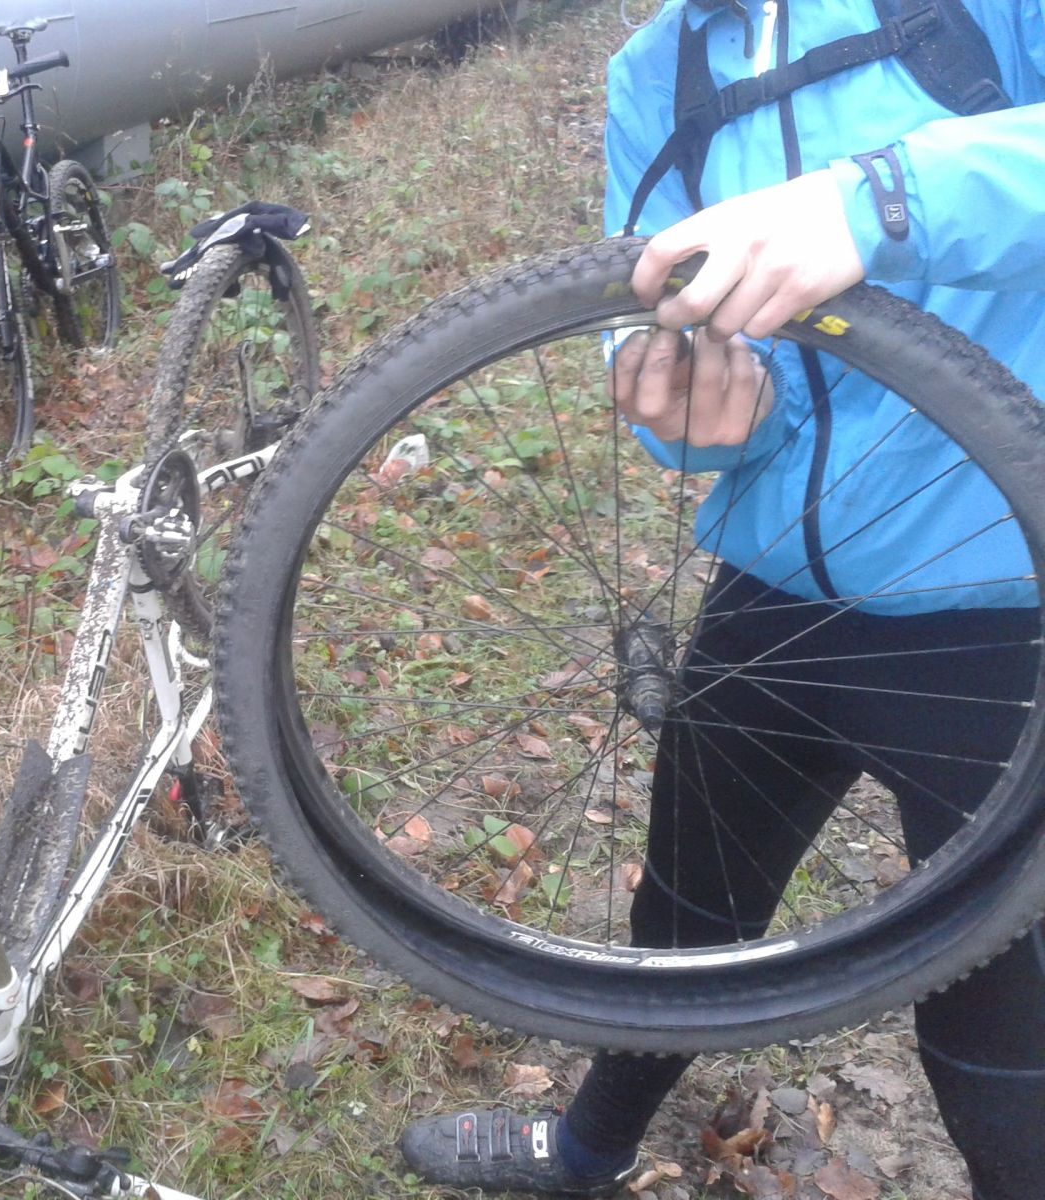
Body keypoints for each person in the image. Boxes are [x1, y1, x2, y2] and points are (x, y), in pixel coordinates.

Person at [398, 1, 1045, 1196]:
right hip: (774, 593)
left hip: (1004, 607)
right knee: (684, 920)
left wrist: (876, 199)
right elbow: (645, 302)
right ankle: (587, 1151)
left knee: (1001, 1025)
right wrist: (685, 411)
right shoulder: (657, 69)